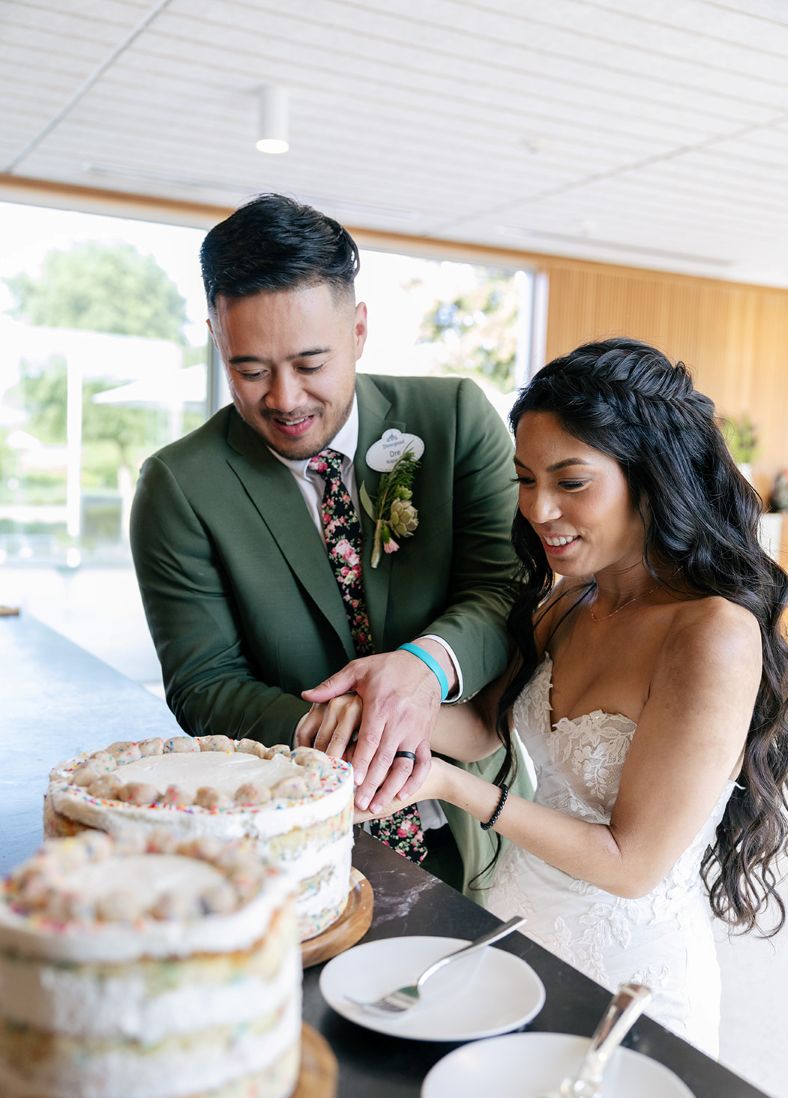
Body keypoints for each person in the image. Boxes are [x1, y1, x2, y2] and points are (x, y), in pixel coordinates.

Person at [312, 338, 788, 1054]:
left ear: (652, 477)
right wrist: (383, 708)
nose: (539, 509)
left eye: (572, 482)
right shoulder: (570, 601)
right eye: (526, 478)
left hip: (629, 979)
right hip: (515, 938)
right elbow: (487, 727)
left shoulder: (711, 634)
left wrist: (450, 786)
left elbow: (630, 865)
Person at [130, 192, 528, 890]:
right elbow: (204, 683)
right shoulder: (177, 486)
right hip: (293, 837)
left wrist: (424, 668)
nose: (284, 398)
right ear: (216, 338)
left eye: (311, 364)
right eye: (250, 370)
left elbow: (503, 590)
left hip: (476, 813)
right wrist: (345, 724)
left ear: (359, 330)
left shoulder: (458, 418)